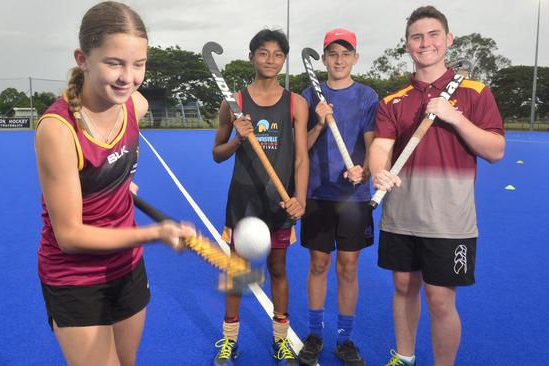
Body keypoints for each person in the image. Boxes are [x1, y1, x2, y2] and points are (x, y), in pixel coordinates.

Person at [34, 2, 194, 366]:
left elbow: (118, 159)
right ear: (83, 58)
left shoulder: (133, 106)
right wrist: (152, 234)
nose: (128, 77)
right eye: (114, 63)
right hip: (75, 276)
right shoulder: (58, 131)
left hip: (126, 265)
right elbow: (70, 236)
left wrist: (123, 182)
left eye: (138, 64)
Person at [368, 6, 505, 366]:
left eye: (432, 35)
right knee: (403, 287)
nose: (424, 42)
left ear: (448, 40)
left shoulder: (476, 93)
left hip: (450, 219)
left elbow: (495, 150)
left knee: (440, 298)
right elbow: (380, 148)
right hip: (400, 215)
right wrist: (377, 172)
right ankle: (405, 356)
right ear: (407, 45)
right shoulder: (392, 101)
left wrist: (454, 117)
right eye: (416, 36)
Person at [211, 29, 309, 366]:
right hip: (243, 201)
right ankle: (229, 340)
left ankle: (281, 340)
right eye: (263, 53)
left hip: (278, 201)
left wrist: (301, 198)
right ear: (252, 56)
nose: (270, 60)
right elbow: (217, 154)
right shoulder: (233, 103)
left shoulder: (296, 102)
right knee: (236, 271)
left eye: (277, 54)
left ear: (284, 60)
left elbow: (300, 157)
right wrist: (238, 139)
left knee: (278, 268)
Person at [297, 29, 378, 366]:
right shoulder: (307, 94)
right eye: (332, 54)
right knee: (318, 264)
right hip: (318, 193)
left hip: (354, 196)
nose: (339, 60)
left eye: (345, 54)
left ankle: (345, 340)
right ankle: (315, 333)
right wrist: (318, 121)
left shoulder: (368, 96)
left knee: (348, 268)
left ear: (355, 58)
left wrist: (365, 170)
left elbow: (375, 145)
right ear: (324, 58)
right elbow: (302, 146)